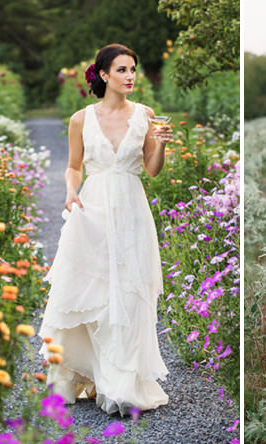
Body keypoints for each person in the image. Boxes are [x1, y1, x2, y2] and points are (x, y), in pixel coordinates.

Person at [38, 43, 170, 415]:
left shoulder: (145, 115)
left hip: (131, 208)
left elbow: (152, 169)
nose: (130, 77)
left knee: (128, 291)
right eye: (123, 70)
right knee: (91, 290)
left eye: (133, 70)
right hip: (93, 207)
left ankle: (122, 383)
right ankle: (91, 373)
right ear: (104, 75)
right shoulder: (82, 118)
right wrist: (69, 191)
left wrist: (160, 145)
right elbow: (74, 165)